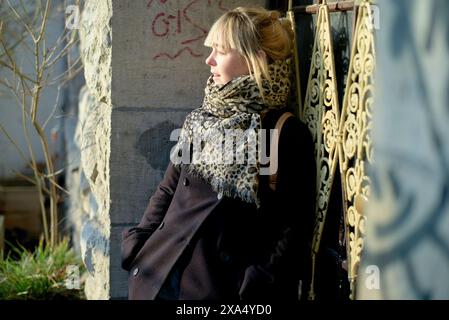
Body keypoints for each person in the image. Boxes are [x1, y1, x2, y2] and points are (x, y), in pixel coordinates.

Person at [121, 7, 316, 300]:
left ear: (255, 60)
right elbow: (169, 188)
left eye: (220, 51)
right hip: (158, 277)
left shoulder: (284, 132)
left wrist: (257, 284)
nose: (208, 60)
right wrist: (138, 244)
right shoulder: (203, 117)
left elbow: (295, 225)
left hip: (221, 290)